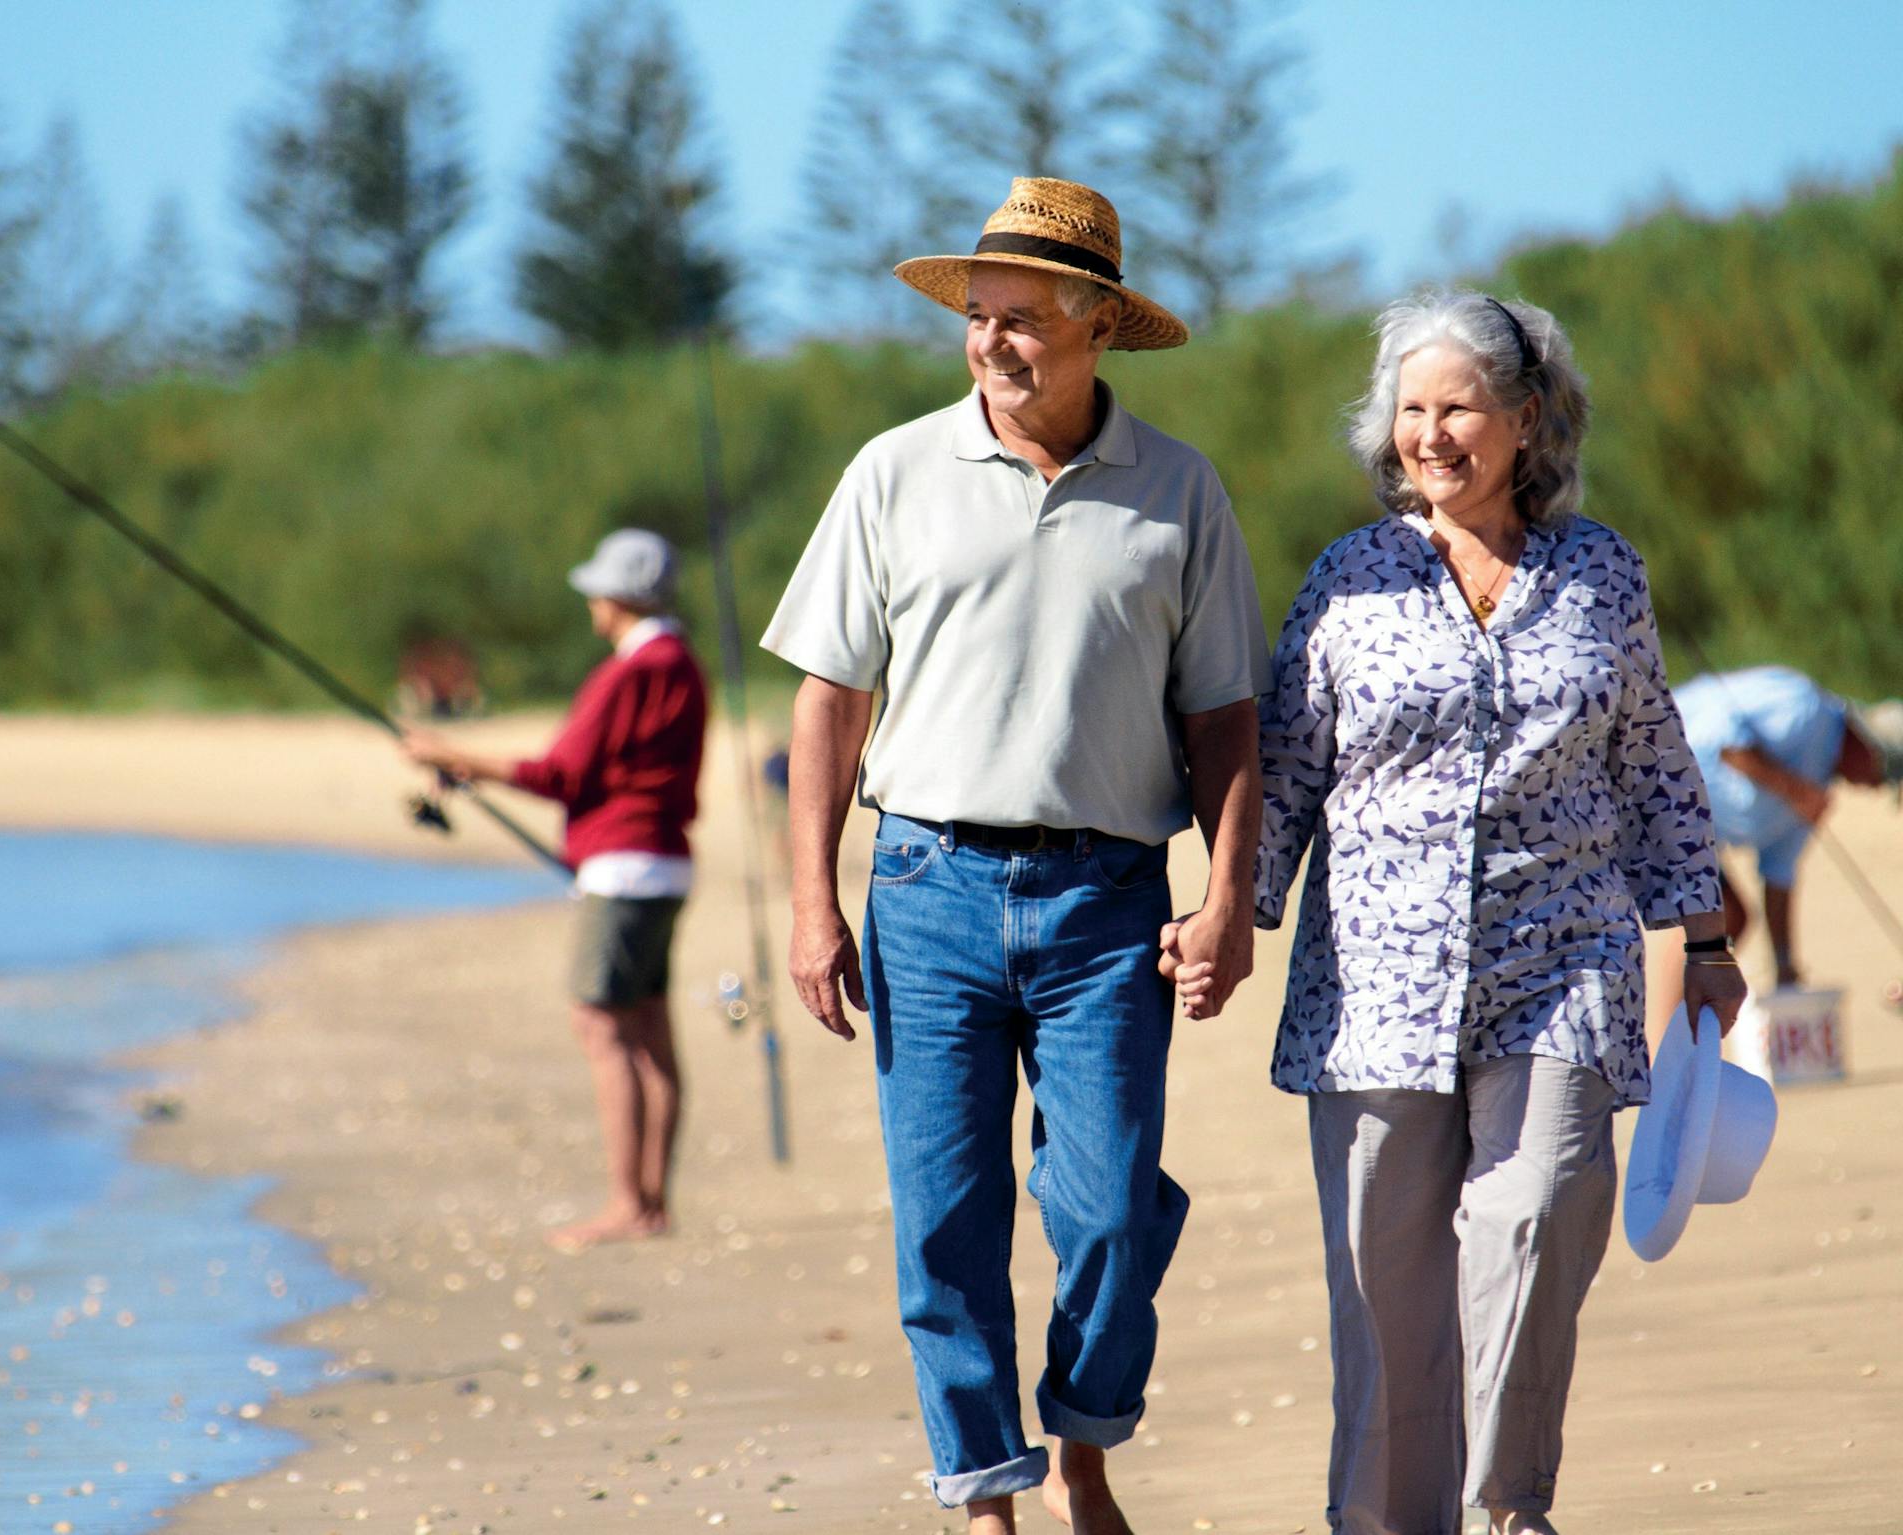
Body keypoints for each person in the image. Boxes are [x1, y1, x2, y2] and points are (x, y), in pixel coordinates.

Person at [1169, 290, 1748, 1535]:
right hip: (1373, 987)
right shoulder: (1346, 578)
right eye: (1410, 410)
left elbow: (1650, 755)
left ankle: (1507, 1507)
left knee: (1536, 1213)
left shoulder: (1599, 573)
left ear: (1525, 419)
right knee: (1386, 1290)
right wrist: (1231, 911)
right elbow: (1289, 765)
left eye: (1459, 408)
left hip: (1566, 964)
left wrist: (1699, 935)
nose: (1430, 434)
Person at [762, 177, 1269, 1535]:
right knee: (947, 1220)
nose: (993, 343)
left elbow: (1227, 714)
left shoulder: (1179, 491)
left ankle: (1084, 1441)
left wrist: (1231, 897)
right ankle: (983, 1489)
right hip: (924, 885)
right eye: (979, 317)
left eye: (1024, 318)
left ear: (1097, 325)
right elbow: (827, 700)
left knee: (1105, 1208)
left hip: (1110, 903)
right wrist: (810, 901)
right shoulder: (891, 473)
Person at [404, 528, 708, 1251]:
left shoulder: (627, 673)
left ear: (622, 597)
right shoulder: (685, 666)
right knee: (650, 1027)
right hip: (666, 864)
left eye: (599, 591)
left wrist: (454, 757)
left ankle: (627, 1204)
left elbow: (562, 773)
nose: (590, 602)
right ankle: (652, 1200)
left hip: (623, 868)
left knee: (601, 1025)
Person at [1672, 666, 1903, 985]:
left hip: (1693, 831)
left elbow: (1778, 874)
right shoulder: (1804, 706)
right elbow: (1721, 741)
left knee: (1728, 920)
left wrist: (1784, 965)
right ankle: (1658, 1020)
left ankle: (1676, 1025)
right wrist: (1793, 789)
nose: (1876, 788)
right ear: (1872, 749)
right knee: (1713, 923)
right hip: (1662, 780)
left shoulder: (1818, 789)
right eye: (1883, 777)